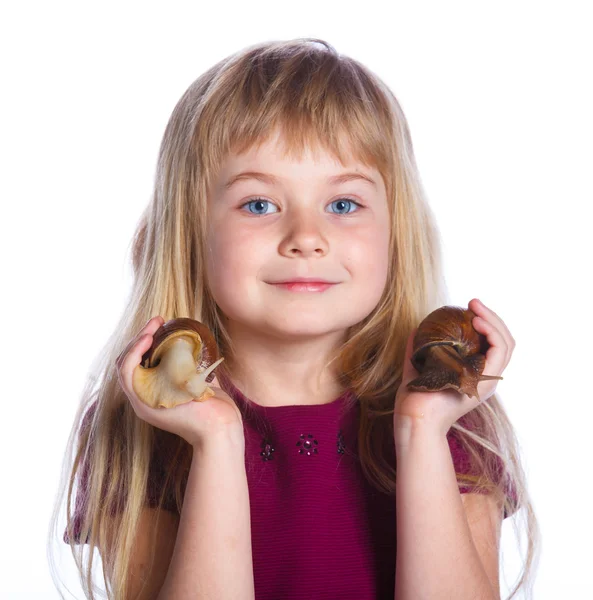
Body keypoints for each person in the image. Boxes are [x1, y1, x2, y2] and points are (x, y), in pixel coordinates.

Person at [49, 38, 539, 600]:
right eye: (259, 205)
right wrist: (215, 442)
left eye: (343, 204)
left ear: (394, 230)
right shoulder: (144, 426)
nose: (306, 238)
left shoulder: (454, 416)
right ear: (192, 231)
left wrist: (421, 434)